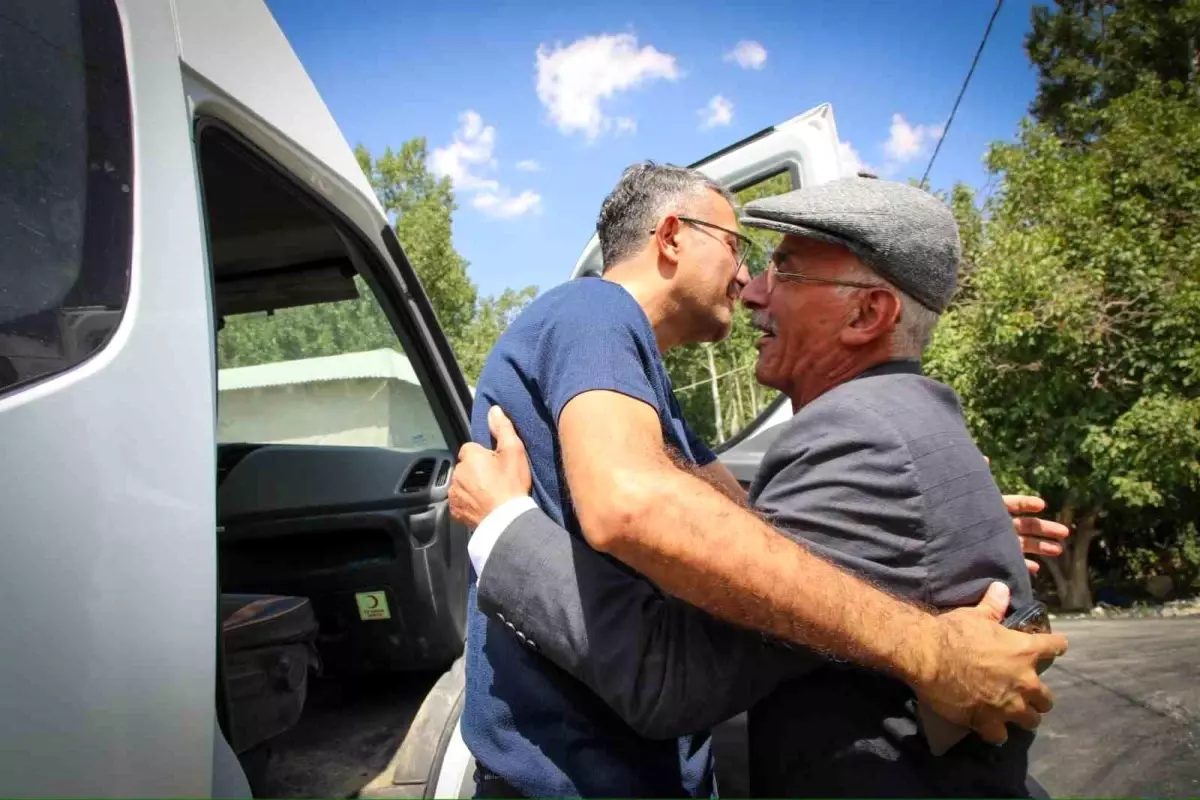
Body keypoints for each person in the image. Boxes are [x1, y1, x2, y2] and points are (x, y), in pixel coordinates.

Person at [457, 164, 1068, 798]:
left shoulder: (662, 391)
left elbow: (742, 528)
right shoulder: (594, 306)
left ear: (867, 314)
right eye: (737, 247)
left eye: (785, 271)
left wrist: (931, 526)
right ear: (670, 236)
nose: (749, 283)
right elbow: (637, 503)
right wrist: (498, 523)